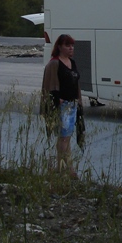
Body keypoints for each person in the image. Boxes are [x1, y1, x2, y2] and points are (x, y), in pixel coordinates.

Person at [41, 34, 83, 178]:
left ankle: (60, 167)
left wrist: (79, 101)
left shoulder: (72, 62)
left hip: (72, 104)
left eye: (72, 45)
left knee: (66, 138)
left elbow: (76, 83)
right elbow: (49, 84)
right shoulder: (54, 63)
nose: (71, 48)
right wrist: (55, 99)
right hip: (62, 105)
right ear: (59, 47)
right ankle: (69, 169)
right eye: (67, 45)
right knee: (63, 137)